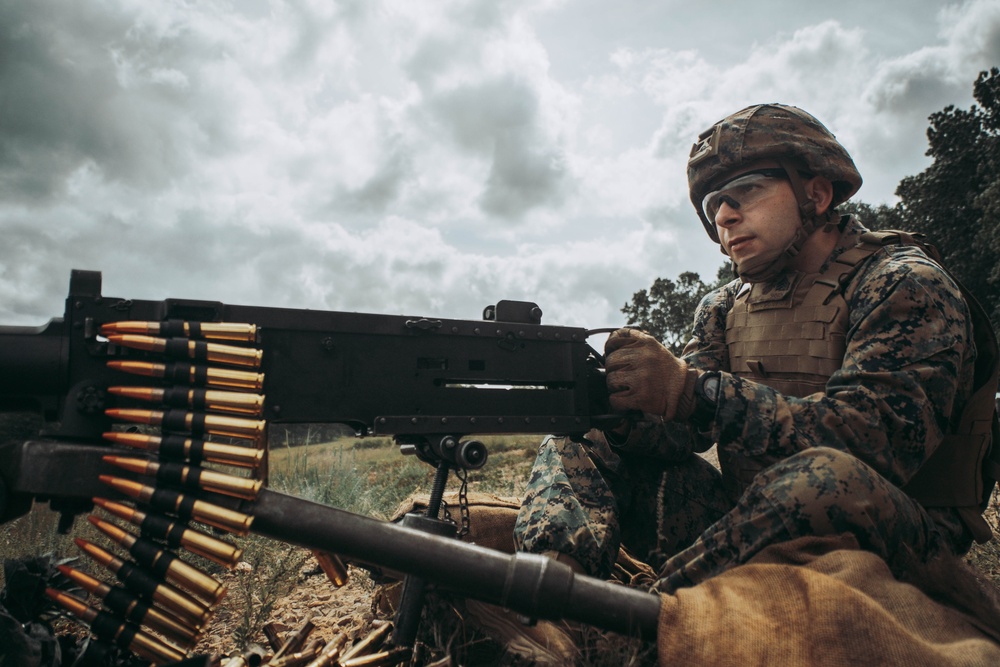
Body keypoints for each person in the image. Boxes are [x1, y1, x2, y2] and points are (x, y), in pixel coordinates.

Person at [512, 103, 998, 599]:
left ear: (817, 193)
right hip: (754, 520)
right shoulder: (723, 307)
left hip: (901, 539)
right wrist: (612, 404)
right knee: (585, 442)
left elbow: (873, 445)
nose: (723, 215)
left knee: (825, 477)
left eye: (745, 191)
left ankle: (646, 623)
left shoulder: (902, 282)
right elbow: (682, 433)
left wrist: (691, 389)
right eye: (713, 205)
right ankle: (547, 598)